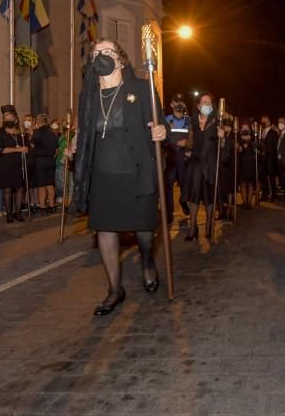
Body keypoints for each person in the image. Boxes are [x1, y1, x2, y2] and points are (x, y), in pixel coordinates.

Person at [73, 39, 167, 315]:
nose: (100, 56)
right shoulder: (88, 95)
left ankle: (148, 262)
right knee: (105, 230)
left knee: (145, 233)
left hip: (136, 171)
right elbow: (86, 129)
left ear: (121, 59)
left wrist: (161, 131)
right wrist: (77, 145)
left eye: (107, 52)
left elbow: (159, 124)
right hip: (104, 173)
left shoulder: (141, 88)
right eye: (95, 53)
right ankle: (115, 290)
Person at [184, 92, 221, 251]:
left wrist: (223, 137)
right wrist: (186, 148)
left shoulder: (216, 122)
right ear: (198, 106)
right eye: (203, 102)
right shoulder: (193, 122)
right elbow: (190, 142)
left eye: (209, 102)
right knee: (193, 196)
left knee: (208, 197)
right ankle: (192, 227)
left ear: (212, 106)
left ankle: (208, 225)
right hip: (195, 164)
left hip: (210, 164)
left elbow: (223, 149)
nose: (206, 104)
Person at [0, 107, 28, 223]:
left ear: (15, 118)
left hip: (19, 165)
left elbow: (27, 147)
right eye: (5, 117)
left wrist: (25, 149)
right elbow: (0, 149)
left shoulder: (21, 132)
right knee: (8, 189)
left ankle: (18, 213)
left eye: (9, 116)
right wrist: (17, 149)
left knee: (20, 189)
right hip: (6, 165)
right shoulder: (1, 132)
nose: (7, 118)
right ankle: (9, 214)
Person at [164, 93, 191, 223]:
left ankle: (183, 200)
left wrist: (187, 143)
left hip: (184, 156)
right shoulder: (167, 120)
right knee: (168, 185)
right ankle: (169, 212)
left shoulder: (188, 120)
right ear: (171, 105)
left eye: (181, 102)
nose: (178, 104)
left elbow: (193, 137)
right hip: (170, 156)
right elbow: (163, 138)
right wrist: (174, 143)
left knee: (185, 182)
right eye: (176, 102)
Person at [30, 113, 58, 213]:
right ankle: (52, 205)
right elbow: (56, 150)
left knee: (41, 184)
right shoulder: (52, 132)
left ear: (38, 121)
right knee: (50, 183)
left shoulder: (38, 132)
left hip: (40, 161)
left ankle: (42, 207)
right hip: (51, 160)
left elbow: (31, 145)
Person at [237, 122, 258, 209]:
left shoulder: (253, 137)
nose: (245, 129)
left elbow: (256, 148)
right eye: (243, 127)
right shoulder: (238, 137)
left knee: (250, 183)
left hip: (250, 163)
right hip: (242, 163)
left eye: (246, 127)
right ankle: (244, 202)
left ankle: (249, 202)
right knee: (243, 183)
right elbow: (238, 150)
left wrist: (251, 141)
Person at [259, 115, 279, 201]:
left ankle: (274, 195)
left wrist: (266, 151)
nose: (262, 120)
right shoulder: (261, 131)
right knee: (263, 177)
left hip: (270, 158)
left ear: (269, 120)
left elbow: (274, 146)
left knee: (271, 177)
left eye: (264, 118)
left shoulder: (273, 132)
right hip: (263, 158)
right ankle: (264, 194)